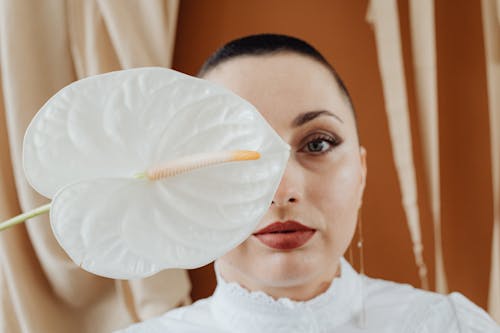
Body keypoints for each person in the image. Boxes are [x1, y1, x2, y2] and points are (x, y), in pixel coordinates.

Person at [118, 34, 500, 332]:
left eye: (317, 144)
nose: (283, 191)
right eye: (234, 154)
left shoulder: (452, 327)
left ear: (361, 172)